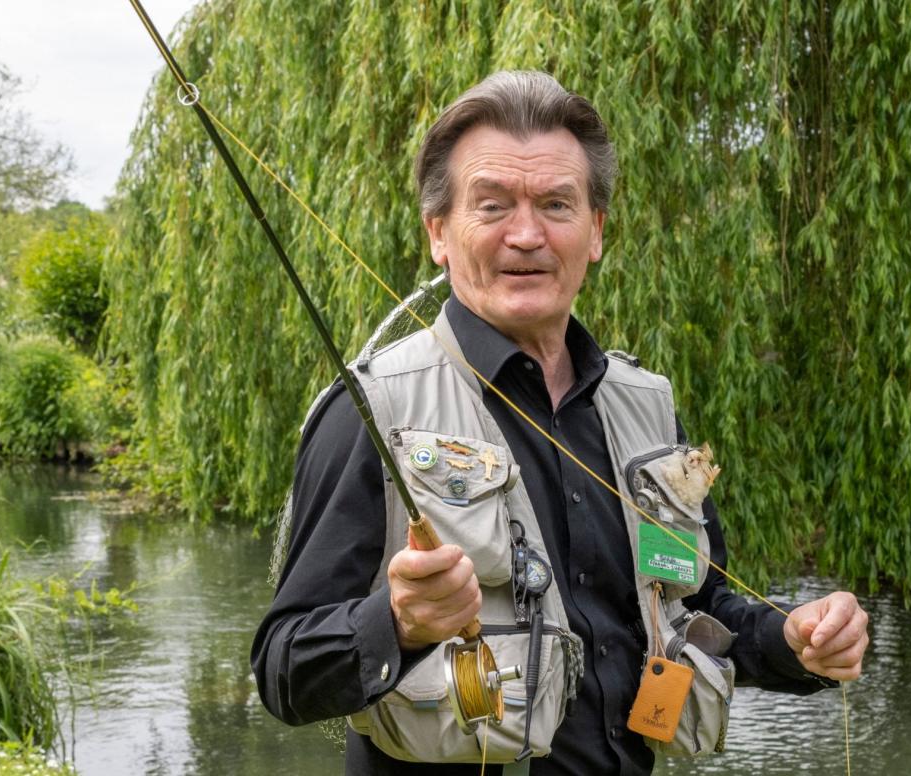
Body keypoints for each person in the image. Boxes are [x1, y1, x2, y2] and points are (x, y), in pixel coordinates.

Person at [252, 70, 869, 775]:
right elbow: (283, 669)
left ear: (595, 231)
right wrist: (395, 622)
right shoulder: (371, 410)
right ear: (438, 233)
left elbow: (699, 601)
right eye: (491, 206)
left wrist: (793, 640)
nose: (526, 234)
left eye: (555, 204)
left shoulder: (647, 404)